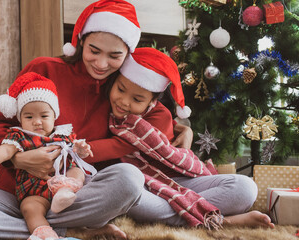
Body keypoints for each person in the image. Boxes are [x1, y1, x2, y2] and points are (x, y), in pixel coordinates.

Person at [0, 1, 190, 239]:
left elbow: (156, 113)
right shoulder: (44, 69)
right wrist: (18, 158)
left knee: (129, 178)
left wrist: (185, 128)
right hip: (16, 194)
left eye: (114, 56)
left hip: (72, 199)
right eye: (94, 50)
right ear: (81, 41)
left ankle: (43, 229)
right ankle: (66, 232)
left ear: (127, 55)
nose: (101, 64)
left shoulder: (120, 91)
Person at [106, 47, 275, 229]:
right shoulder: (111, 108)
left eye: (137, 99)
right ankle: (223, 221)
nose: (123, 101)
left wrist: (186, 130)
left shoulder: (158, 114)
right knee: (133, 200)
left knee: (246, 188)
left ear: (151, 101)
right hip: (145, 186)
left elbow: (150, 130)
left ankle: (195, 216)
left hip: (182, 180)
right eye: (121, 89)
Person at [0, 72, 99, 240]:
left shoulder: (62, 133)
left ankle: (65, 191)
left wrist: (82, 148)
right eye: (29, 116)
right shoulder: (19, 136)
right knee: (29, 208)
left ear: (55, 116)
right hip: (34, 191)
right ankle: (45, 233)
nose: (37, 121)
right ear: (20, 119)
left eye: (44, 116)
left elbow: (76, 151)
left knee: (77, 170)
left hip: (65, 184)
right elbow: (4, 151)